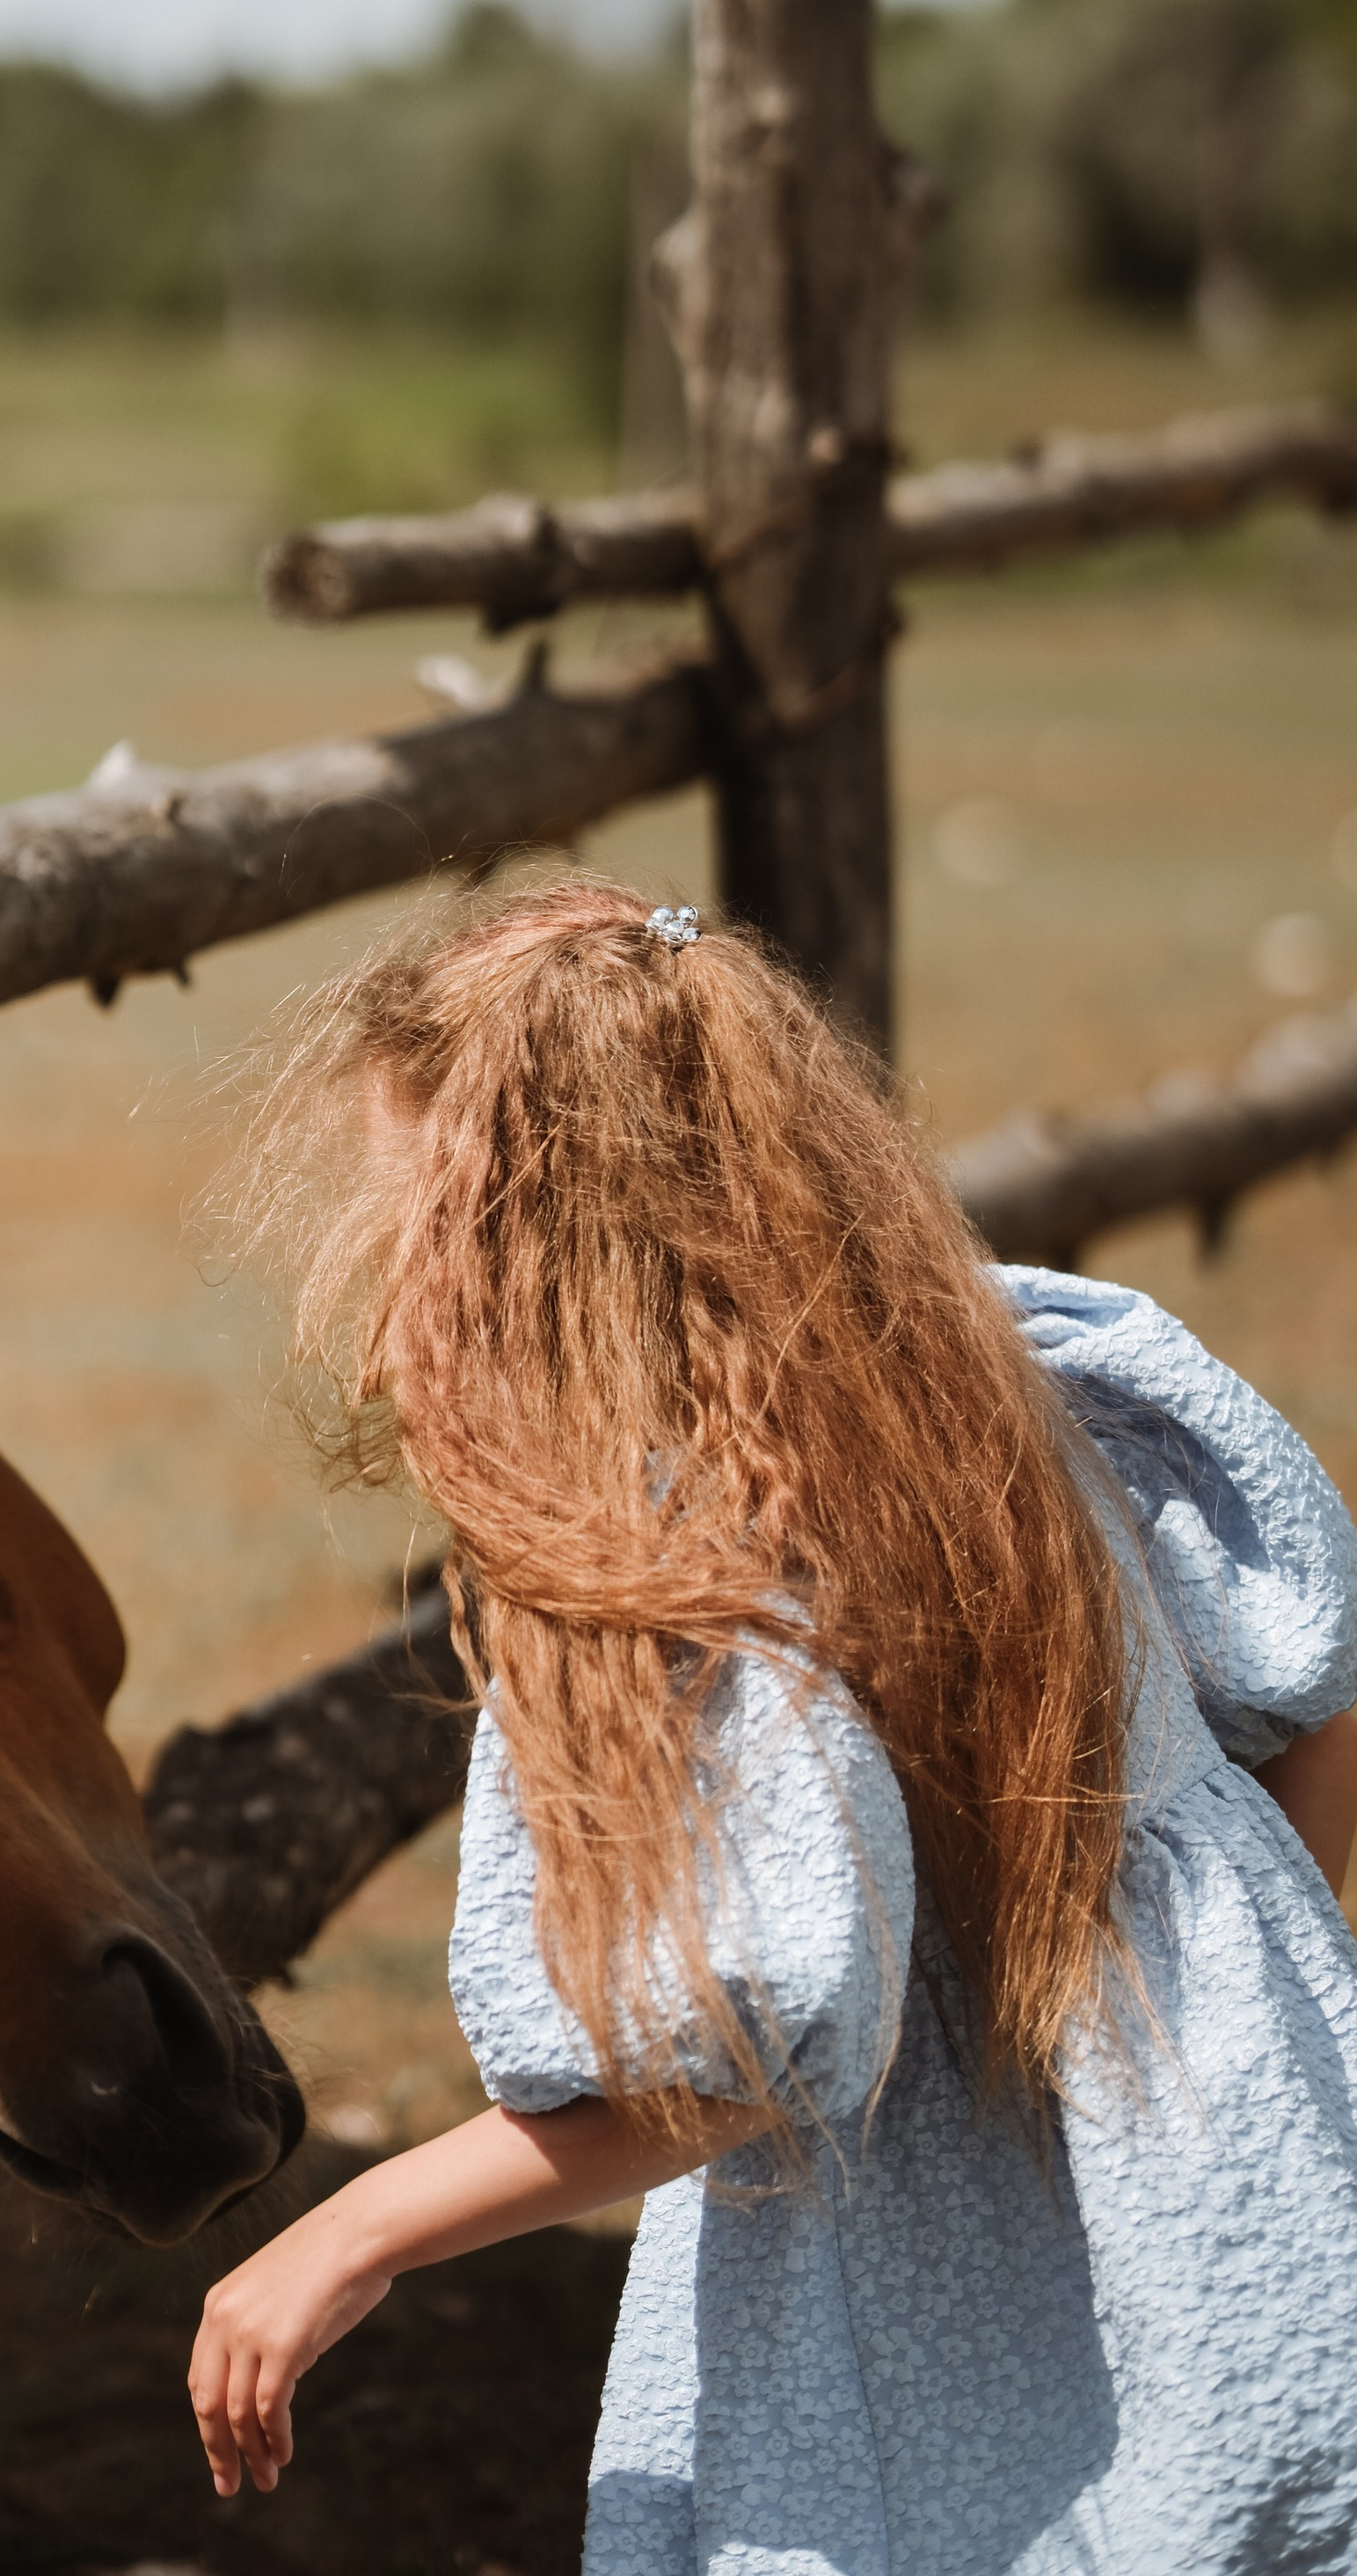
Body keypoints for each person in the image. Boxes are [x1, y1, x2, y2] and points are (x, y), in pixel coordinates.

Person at [187, 879, 1357, 2571]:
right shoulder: (1009, 1378)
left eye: (413, 1229)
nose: (393, 1303)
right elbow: (1310, 1693)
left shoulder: (686, 1561)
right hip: (1262, 2214)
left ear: (529, 1242)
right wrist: (1192, 2017)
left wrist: (352, 2230)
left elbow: (754, 2054)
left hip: (936, 2319)